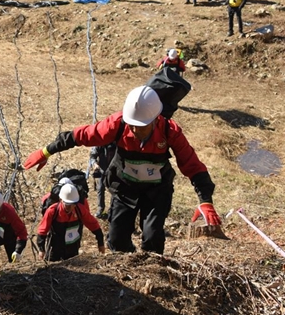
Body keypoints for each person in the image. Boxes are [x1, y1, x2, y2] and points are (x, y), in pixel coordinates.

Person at [22, 85, 222, 255]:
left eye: (140, 126)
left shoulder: (170, 131)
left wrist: (205, 200)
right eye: (132, 125)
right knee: (116, 240)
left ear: (155, 119)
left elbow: (192, 164)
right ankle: (128, 270)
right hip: (124, 188)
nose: (134, 130)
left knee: (152, 238)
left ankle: (151, 271)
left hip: (156, 192)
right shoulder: (117, 124)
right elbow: (81, 135)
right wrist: (46, 151)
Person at [37, 182, 105, 260]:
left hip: (73, 247)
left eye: (73, 204)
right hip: (55, 248)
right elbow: (42, 230)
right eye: (67, 204)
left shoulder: (80, 210)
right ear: (60, 200)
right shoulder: (52, 211)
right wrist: (41, 249)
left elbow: (94, 225)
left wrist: (101, 243)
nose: (71, 207)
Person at [0, 190, 28, 267]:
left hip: (10, 235)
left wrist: (18, 250)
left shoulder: (10, 213)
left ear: (1, 206)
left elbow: (22, 231)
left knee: (13, 260)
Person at [89, 143, 116, 218]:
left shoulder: (116, 143)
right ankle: (100, 209)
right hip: (102, 170)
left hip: (113, 171)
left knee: (114, 191)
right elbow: (92, 156)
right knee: (100, 189)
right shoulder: (99, 143)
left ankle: (113, 210)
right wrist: (94, 164)